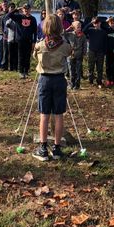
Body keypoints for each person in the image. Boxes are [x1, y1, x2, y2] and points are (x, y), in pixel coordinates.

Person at [32, 14, 72, 161]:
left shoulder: (40, 45)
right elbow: (70, 53)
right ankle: (56, 148)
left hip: (45, 80)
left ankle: (43, 148)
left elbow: (35, 56)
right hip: (59, 80)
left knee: (44, 114)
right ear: (60, 27)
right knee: (59, 114)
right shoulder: (65, 45)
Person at [7, 3, 37, 78]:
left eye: (27, 9)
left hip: (29, 40)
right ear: (22, 10)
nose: (26, 10)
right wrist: (16, 9)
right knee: (20, 56)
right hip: (20, 40)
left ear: (30, 9)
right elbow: (9, 15)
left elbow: (35, 31)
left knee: (27, 56)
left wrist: (34, 41)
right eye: (25, 9)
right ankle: (20, 71)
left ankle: (26, 71)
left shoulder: (33, 19)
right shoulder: (19, 17)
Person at [83, 17, 107, 87]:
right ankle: (91, 80)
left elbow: (105, 43)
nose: (96, 24)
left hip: (100, 52)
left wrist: (104, 52)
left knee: (100, 67)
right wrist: (90, 23)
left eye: (97, 23)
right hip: (92, 51)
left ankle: (99, 81)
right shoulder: (91, 30)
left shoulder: (103, 32)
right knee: (91, 66)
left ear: (100, 23)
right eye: (94, 23)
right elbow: (84, 31)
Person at [66, 21, 87, 89]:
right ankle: (72, 84)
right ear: (74, 28)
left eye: (80, 27)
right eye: (77, 27)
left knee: (78, 71)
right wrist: (68, 28)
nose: (79, 29)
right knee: (71, 70)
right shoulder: (70, 34)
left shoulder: (83, 35)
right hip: (71, 55)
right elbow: (61, 34)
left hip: (79, 55)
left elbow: (85, 45)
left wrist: (84, 53)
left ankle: (77, 85)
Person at [105, 16, 114, 86]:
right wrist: (106, 20)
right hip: (108, 51)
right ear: (109, 23)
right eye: (111, 23)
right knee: (108, 66)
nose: (113, 24)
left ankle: (113, 80)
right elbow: (101, 24)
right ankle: (108, 79)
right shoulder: (106, 29)